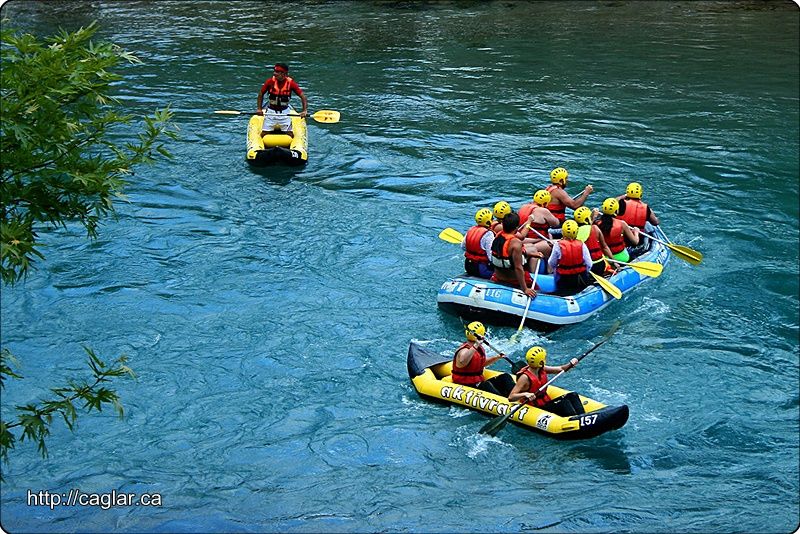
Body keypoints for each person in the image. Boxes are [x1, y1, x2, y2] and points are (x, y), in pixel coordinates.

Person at [507, 346, 584, 417]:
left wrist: (570, 364)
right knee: (564, 404)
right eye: (544, 358)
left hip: (545, 402)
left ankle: (582, 417)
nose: (545, 359)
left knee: (573, 395)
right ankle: (576, 422)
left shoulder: (541, 368)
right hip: (536, 407)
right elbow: (511, 397)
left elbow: (561, 369)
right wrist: (525, 394)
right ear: (540, 362)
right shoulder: (524, 378)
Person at [452, 321, 516, 396]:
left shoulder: (478, 348)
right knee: (486, 385)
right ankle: (506, 402)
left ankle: (516, 396)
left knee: (505, 377)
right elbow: (462, 362)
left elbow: (480, 364)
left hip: (477, 382)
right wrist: (476, 344)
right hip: (466, 384)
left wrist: (497, 357)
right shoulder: (464, 350)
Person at [490, 212, 540, 298]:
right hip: (513, 280)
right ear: (516, 228)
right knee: (538, 290)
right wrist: (525, 289)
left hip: (497, 277)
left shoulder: (498, 235)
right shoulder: (516, 243)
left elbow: (506, 255)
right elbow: (518, 268)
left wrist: (531, 253)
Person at [256, 63, 308, 138]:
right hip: (271, 112)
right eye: (274, 71)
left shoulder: (291, 83)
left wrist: (304, 110)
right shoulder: (270, 82)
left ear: (284, 74)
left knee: (290, 135)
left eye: (277, 72)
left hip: (285, 113)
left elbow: (303, 97)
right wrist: (259, 109)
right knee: (264, 134)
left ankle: (292, 148)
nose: (274, 73)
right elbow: (261, 94)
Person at [547, 220, 593, 296]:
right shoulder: (582, 244)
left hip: (564, 279)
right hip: (580, 278)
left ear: (563, 232)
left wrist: (556, 270)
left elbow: (551, 263)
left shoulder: (558, 245)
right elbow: (589, 264)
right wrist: (585, 272)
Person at [595, 198, 639, 263]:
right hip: (622, 258)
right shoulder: (622, 224)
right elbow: (635, 242)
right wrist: (636, 232)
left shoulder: (596, 224)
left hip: (605, 258)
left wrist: (593, 217)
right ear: (616, 211)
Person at [518, 190, 561, 258]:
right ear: (545, 203)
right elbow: (556, 223)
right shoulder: (543, 210)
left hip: (523, 240)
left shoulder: (523, 207)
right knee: (560, 243)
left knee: (549, 234)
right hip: (537, 242)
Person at [573, 206, 614, 276]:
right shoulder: (595, 228)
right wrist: (614, 262)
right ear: (587, 219)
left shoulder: (573, 233)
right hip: (599, 264)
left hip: (585, 267)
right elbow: (605, 247)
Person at [462, 208, 495, 279]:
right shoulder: (488, 234)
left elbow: (463, 247)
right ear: (488, 221)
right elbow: (491, 256)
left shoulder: (470, 230)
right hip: (482, 269)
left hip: (468, 266)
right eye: (492, 218)